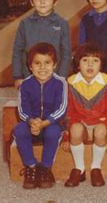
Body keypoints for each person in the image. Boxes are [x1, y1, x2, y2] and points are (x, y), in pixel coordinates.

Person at [62, 43, 107, 187]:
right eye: (85, 60)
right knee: (75, 128)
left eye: (95, 60)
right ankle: (79, 168)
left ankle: (96, 168)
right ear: (77, 64)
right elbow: (67, 112)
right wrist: (66, 136)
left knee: (101, 130)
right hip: (81, 126)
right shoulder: (70, 83)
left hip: (101, 126)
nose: (90, 64)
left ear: (101, 65)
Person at [13, 42, 67, 189]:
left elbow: (61, 108)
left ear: (54, 64)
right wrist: (32, 122)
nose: (42, 67)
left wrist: (44, 123)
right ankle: (32, 167)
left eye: (47, 63)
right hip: (32, 124)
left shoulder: (61, 83)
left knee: (53, 132)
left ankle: (45, 168)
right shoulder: (25, 85)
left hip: (51, 124)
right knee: (19, 130)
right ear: (30, 66)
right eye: (37, 63)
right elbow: (22, 110)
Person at [12, 0, 71, 89]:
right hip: (29, 76)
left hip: (54, 76)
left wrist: (61, 77)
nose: (42, 2)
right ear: (31, 2)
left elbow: (66, 53)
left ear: (55, 1)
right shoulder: (25, 23)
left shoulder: (62, 23)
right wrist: (18, 76)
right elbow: (17, 51)